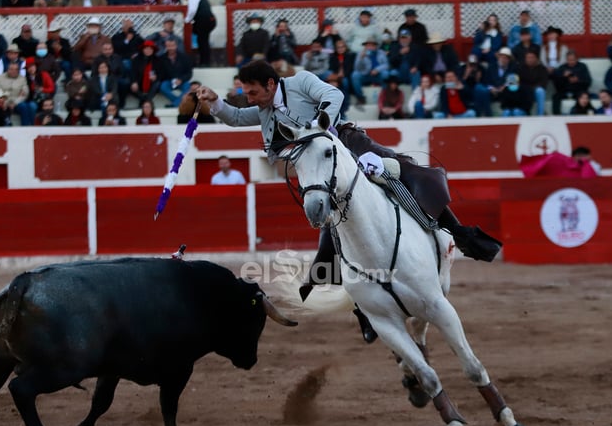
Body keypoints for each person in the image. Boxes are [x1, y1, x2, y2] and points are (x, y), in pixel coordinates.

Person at [195, 61, 501, 313]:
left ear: (270, 85)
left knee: (403, 172)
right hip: (320, 163)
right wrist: (214, 103)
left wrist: (319, 128)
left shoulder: (300, 82)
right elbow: (235, 117)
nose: (249, 98)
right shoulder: (264, 110)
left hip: (347, 142)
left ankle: (461, 234)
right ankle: (363, 300)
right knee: (334, 221)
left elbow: (335, 96)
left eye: (252, 92)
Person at [183, 0, 216, 67]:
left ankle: (204, 62)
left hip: (203, 22)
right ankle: (205, 62)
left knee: (202, 42)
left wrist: (187, 20)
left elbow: (192, 10)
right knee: (204, 41)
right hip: (209, 21)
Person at [551, 50, 591, 115]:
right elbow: (556, 84)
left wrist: (578, 80)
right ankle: (556, 115)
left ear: (577, 59)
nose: (571, 62)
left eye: (573, 60)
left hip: (578, 90)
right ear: (566, 60)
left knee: (583, 96)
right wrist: (563, 77)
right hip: (564, 91)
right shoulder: (562, 68)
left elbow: (588, 81)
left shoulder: (582, 67)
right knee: (555, 97)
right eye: (569, 60)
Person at [351, 38, 388, 107]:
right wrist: (361, 58)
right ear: (365, 46)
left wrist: (377, 69)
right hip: (366, 75)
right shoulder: (360, 53)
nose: (370, 47)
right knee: (355, 75)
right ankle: (361, 98)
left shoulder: (381, 52)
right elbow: (357, 68)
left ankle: (384, 98)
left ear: (375, 46)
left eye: (372, 45)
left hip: (378, 75)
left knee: (386, 74)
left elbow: (386, 65)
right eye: (368, 45)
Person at [158, 38, 193, 107]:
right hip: (168, 81)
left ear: (176, 46)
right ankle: (178, 102)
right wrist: (171, 79)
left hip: (182, 81)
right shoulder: (161, 58)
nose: (171, 48)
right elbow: (160, 74)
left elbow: (189, 73)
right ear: (166, 46)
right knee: (162, 86)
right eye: (168, 46)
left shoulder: (184, 57)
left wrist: (181, 79)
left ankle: (174, 104)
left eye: (172, 46)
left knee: (188, 86)